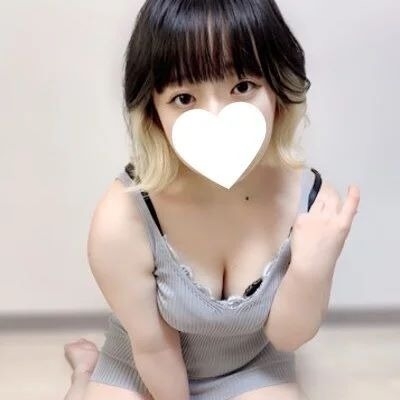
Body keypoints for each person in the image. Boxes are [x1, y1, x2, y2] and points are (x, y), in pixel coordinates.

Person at [63, 1, 360, 399]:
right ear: (153, 112)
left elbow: (288, 337)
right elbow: (153, 347)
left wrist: (311, 268)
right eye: (184, 97)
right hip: (144, 362)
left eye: (243, 87)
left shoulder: (310, 201)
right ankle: (86, 373)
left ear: (278, 87)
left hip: (250, 366)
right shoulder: (124, 215)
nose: (217, 116)